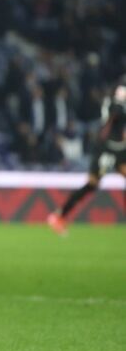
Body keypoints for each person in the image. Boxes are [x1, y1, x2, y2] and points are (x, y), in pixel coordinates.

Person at [48, 78, 126, 235]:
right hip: (107, 148)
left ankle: (59, 216)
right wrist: (120, 100)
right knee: (92, 183)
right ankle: (59, 215)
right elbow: (114, 114)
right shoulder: (114, 102)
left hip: (121, 148)